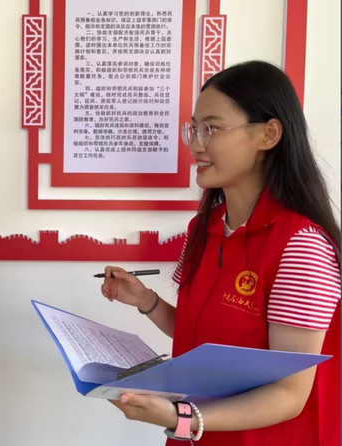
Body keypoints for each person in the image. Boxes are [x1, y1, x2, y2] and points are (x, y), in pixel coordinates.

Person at [101, 60, 340, 445]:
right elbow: (202, 336)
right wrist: (147, 301)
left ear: (268, 134)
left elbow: (289, 394)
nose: (196, 144)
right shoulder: (204, 228)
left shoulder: (301, 246)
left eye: (211, 129)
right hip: (194, 433)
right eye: (194, 129)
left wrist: (180, 418)